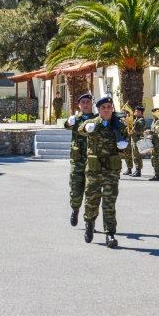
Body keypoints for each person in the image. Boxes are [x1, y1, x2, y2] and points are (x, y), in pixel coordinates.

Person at [79, 97, 127, 248]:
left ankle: (110, 234)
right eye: (104, 107)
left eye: (109, 107)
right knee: (91, 200)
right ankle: (89, 224)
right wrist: (87, 128)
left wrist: (124, 146)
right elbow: (80, 130)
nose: (107, 109)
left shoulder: (119, 126)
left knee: (109, 202)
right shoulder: (92, 123)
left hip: (111, 171)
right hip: (94, 170)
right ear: (98, 110)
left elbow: (127, 145)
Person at [64, 93, 96, 226]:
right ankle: (75, 209)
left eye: (88, 102)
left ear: (91, 104)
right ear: (79, 105)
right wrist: (68, 122)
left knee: (92, 192)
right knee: (76, 189)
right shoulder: (76, 119)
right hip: (77, 161)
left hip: (93, 162)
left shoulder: (97, 119)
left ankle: (90, 221)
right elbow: (67, 126)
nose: (85, 104)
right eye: (83, 102)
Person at [126, 106, 146, 177]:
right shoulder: (136, 119)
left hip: (138, 140)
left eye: (137, 111)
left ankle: (138, 171)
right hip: (134, 139)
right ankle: (137, 170)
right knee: (134, 156)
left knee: (137, 156)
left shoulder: (141, 120)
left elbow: (140, 130)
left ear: (140, 112)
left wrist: (133, 131)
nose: (135, 112)